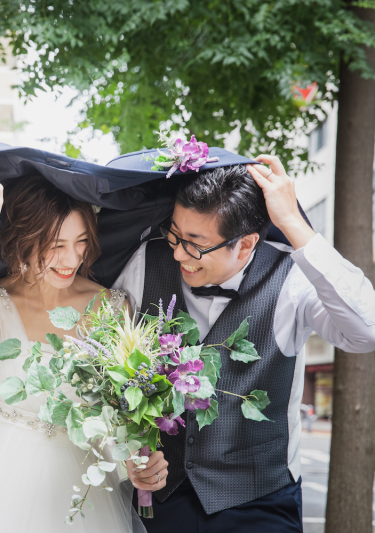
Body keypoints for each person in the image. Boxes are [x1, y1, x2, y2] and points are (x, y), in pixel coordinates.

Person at [113, 155, 375, 532]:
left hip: (260, 501)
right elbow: (113, 371)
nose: (177, 254)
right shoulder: (145, 261)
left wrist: (292, 223)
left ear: (247, 242)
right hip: (160, 503)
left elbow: (364, 332)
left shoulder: (294, 278)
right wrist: (133, 453)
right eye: (174, 234)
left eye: (195, 245)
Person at [0, 155, 145, 532]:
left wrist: (140, 457)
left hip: (83, 497)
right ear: (24, 239)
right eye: (56, 245)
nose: (72, 259)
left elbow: (127, 408)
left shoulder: (111, 306)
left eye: (81, 242)